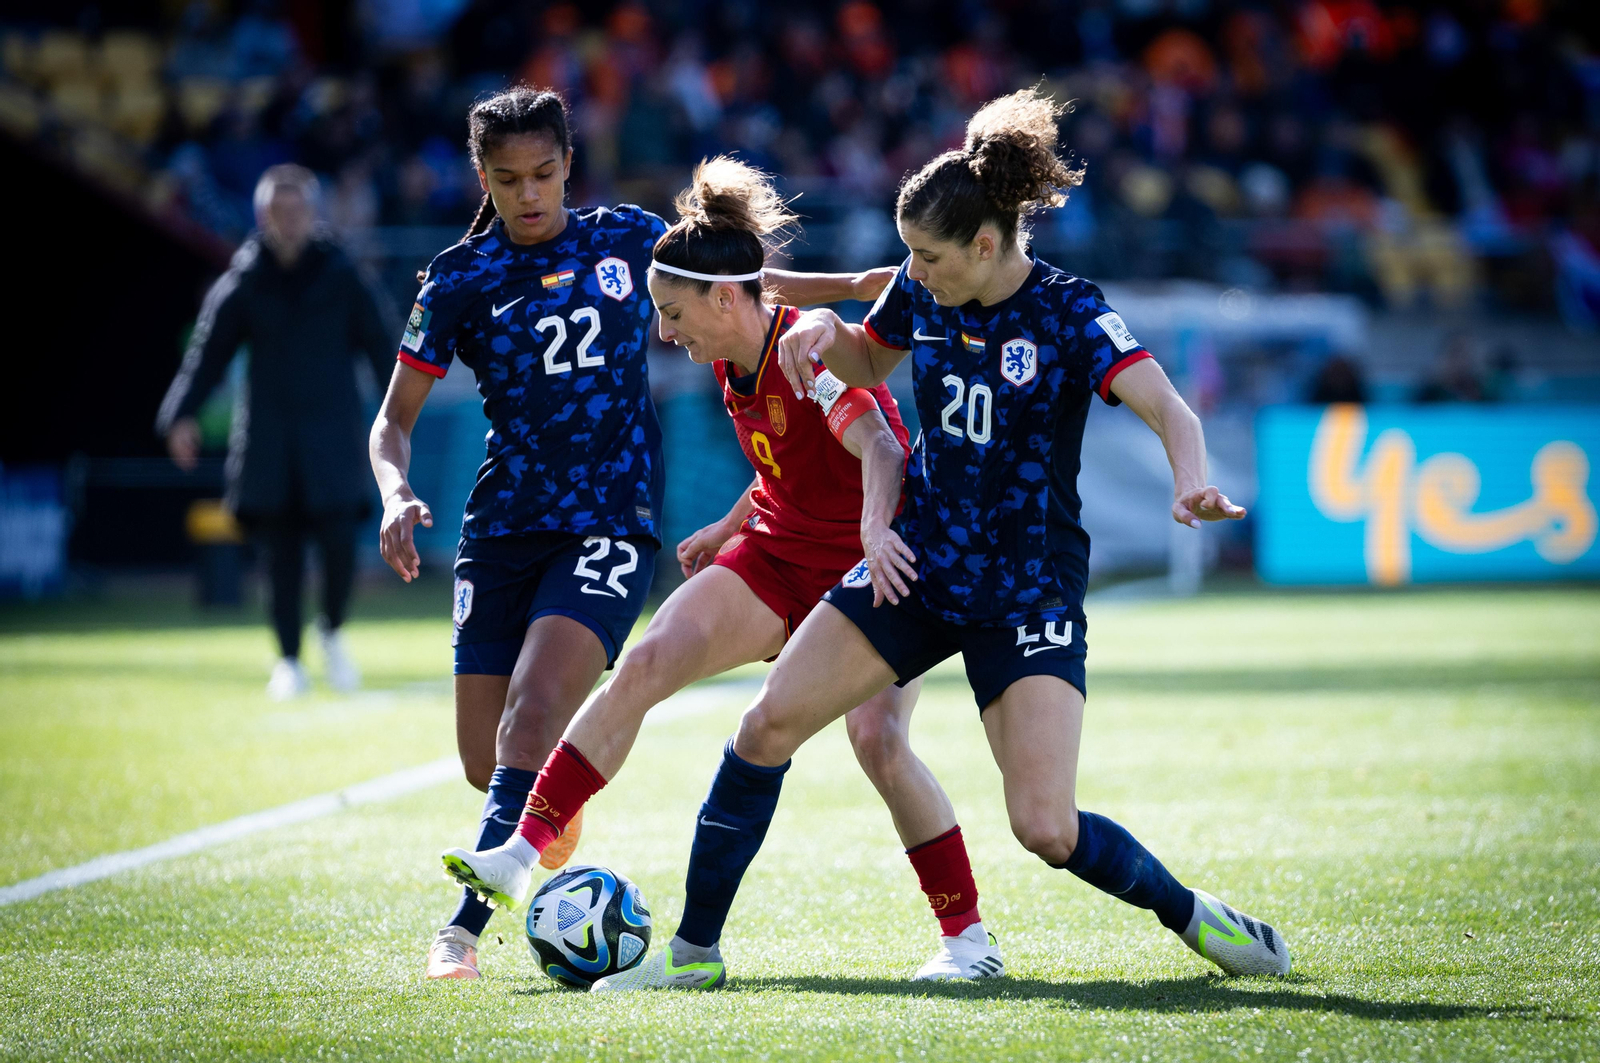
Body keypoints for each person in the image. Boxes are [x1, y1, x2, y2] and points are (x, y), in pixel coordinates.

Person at [585, 88, 1292, 991]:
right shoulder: (922, 288)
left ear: (988, 246)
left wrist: (1191, 475)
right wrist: (829, 332)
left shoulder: (1070, 312)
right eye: (908, 254)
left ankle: (1197, 918)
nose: (912, 271)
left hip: (1027, 588)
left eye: (927, 256)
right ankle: (692, 956)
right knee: (765, 725)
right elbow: (870, 359)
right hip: (917, 562)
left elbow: (1166, 402)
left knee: (1047, 827)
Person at [373, 87, 913, 982]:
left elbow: (741, 287)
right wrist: (394, 490)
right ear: (484, 179)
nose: (530, 193)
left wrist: (853, 290)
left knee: (533, 712)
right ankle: (552, 806)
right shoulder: (456, 280)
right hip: (503, 525)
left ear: (568, 167)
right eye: (508, 179)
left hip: (612, 517)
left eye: (544, 172)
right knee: (487, 758)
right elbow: (392, 421)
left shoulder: (624, 237)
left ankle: (462, 926)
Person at [441, 157, 1005, 984]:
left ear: (725, 298)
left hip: (870, 561)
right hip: (777, 552)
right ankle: (519, 854)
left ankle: (969, 940)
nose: (667, 333)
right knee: (645, 661)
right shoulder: (728, 353)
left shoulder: (806, 352)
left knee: (878, 739)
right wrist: (732, 522)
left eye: (673, 314)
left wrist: (877, 532)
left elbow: (880, 447)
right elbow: (789, 461)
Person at [157, 163, 392, 701]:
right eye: (277, 211)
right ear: (262, 216)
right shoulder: (242, 280)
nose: (288, 220)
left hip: (333, 436)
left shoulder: (344, 275)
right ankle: (288, 659)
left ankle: (331, 630)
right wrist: (179, 416)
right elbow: (206, 356)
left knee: (338, 546)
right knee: (279, 557)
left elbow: (383, 349)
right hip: (268, 439)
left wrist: (399, 410)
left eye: (297, 210)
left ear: (314, 213)